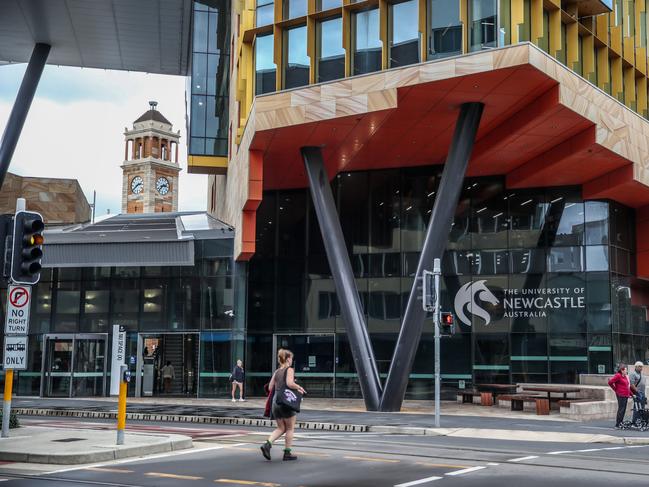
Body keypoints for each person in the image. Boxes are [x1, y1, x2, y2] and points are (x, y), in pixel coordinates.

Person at [260, 349, 306, 461]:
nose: (291, 360)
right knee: (290, 428)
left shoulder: (276, 372)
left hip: (276, 402)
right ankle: (287, 453)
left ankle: (267, 444)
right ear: (288, 359)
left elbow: (270, 387)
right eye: (291, 358)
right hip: (286, 402)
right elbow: (290, 383)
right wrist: (299, 387)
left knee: (281, 427)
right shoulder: (289, 370)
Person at [608, 363, 631, 428]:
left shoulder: (625, 376)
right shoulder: (618, 375)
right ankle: (617, 424)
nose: (627, 371)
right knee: (621, 409)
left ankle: (621, 422)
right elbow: (610, 382)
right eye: (626, 370)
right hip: (620, 394)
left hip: (626, 395)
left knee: (623, 409)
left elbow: (627, 386)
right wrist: (615, 389)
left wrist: (631, 394)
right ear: (622, 370)